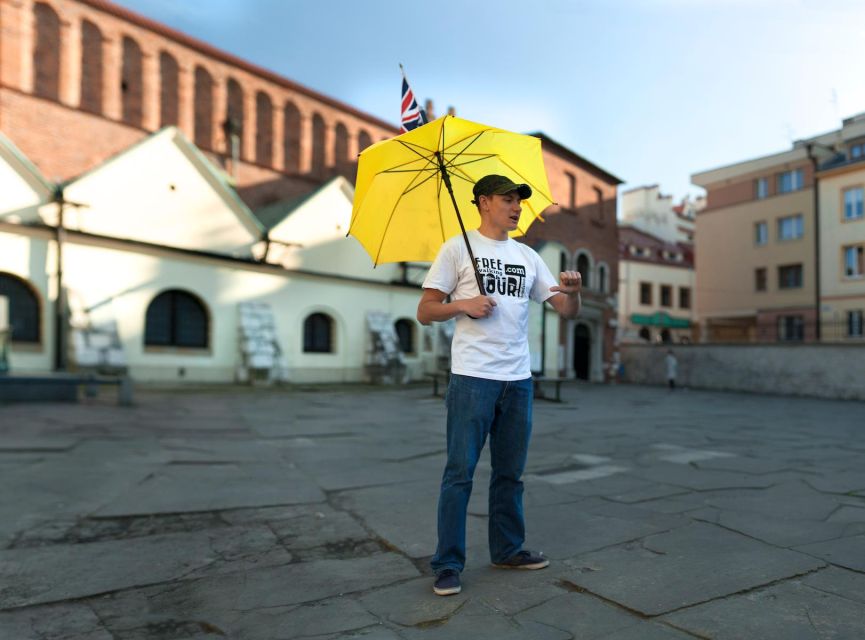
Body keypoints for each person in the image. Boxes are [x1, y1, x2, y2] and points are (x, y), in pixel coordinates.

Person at [417, 174, 582, 596]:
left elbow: (564, 309)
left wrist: (573, 292)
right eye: (508, 200)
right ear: (483, 202)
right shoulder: (457, 248)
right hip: (473, 378)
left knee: (510, 474)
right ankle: (448, 563)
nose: (516, 207)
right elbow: (425, 310)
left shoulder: (527, 255)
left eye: (519, 202)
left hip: (518, 381)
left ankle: (508, 549)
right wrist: (463, 304)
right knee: (459, 473)